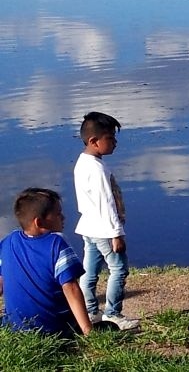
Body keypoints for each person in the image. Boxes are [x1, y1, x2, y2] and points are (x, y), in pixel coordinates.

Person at [73, 111, 139, 330]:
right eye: (110, 138)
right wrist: (116, 234)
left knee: (88, 271)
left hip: (88, 227)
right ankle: (113, 313)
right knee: (118, 269)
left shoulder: (82, 163)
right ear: (94, 141)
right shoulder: (98, 169)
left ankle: (91, 310)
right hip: (104, 229)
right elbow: (107, 203)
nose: (115, 143)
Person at [0, 188, 92, 337]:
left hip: (15, 328)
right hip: (53, 329)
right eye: (57, 213)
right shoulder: (56, 243)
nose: (63, 217)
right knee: (107, 326)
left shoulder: (7, 242)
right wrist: (88, 331)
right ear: (39, 222)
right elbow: (71, 289)